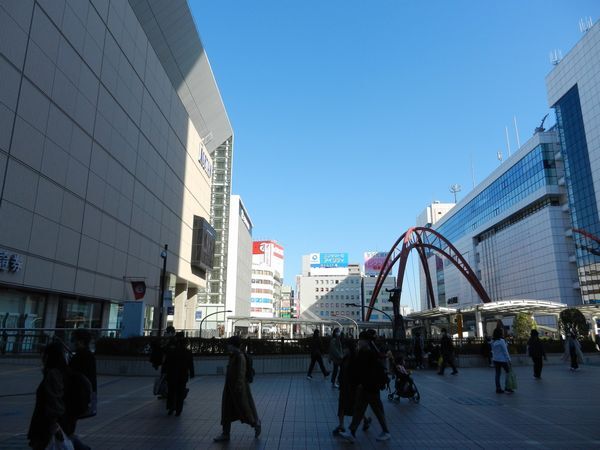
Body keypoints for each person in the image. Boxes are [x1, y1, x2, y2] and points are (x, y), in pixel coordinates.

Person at [339, 331, 391, 443]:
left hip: (370, 387)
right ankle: (352, 432)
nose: (359, 341)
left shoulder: (369, 353)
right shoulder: (365, 351)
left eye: (361, 339)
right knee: (359, 409)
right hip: (364, 387)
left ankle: (386, 431)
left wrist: (360, 383)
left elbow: (368, 371)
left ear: (366, 341)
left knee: (377, 410)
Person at [214, 336, 261, 442]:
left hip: (238, 389)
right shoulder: (233, 355)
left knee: (245, 409)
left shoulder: (240, 356)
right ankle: (225, 433)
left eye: (229, 344)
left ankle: (256, 424)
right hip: (230, 388)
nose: (227, 347)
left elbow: (241, 372)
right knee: (226, 410)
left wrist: (239, 386)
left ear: (233, 345)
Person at [28, 342, 68, 450]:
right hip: (47, 421)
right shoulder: (59, 372)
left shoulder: (53, 374)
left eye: (43, 353)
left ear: (49, 356)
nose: (41, 356)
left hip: (46, 422)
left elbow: (54, 399)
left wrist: (53, 423)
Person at [63, 330, 97, 450]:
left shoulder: (82, 357)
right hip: (79, 398)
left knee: (66, 430)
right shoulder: (86, 355)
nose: (71, 342)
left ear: (80, 342)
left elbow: (73, 376)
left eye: (73, 339)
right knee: (68, 429)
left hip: (75, 399)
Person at [332, 340, 371, 436]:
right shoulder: (345, 358)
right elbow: (341, 370)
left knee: (354, 406)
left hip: (352, 387)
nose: (344, 350)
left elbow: (357, 373)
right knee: (342, 406)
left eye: (345, 348)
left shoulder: (355, 359)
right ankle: (341, 425)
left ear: (350, 349)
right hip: (344, 386)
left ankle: (364, 420)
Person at [163, 332, 194, 416]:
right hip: (183, 375)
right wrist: (192, 373)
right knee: (180, 392)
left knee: (171, 391)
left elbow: (167, 362)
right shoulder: (188, 352)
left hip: (172, 375)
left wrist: (164, 372)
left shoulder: (172, 351)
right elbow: (190, 364)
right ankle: (178, 410)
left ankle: (171, 407)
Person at [491, 328, 513, 394]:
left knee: (497, 374)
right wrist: (509, 360)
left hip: (495, 359)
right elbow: (505, 351)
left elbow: (493, 350)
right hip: (503, 360)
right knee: (508, 373)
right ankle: (507, 387)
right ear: (500, 333)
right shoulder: (502, 341)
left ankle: (498, 388)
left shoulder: (492, 341)